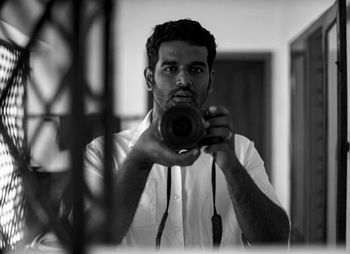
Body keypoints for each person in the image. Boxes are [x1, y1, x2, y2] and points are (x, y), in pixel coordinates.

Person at [84, 19, 290, 248]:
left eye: (196, 69)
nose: (184, 80)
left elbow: (276, 242)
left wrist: (231, 166)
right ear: (150, 79)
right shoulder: (104, 152)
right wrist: (138, 163)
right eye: (171, 68)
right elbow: (88, 241)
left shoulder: (240, 150)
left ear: (210, 80)